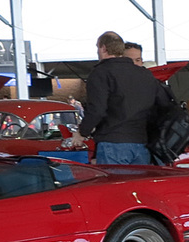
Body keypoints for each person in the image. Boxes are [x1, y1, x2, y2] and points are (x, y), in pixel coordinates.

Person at [70, 30, 167, 165]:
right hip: (142, 142)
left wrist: (82, 133)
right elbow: (160, 106)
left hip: (113, 142)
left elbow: (97, 109)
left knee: (114, 185)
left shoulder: (100, 73)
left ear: (103, 48)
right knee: (138, 186)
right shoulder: (145, 74)